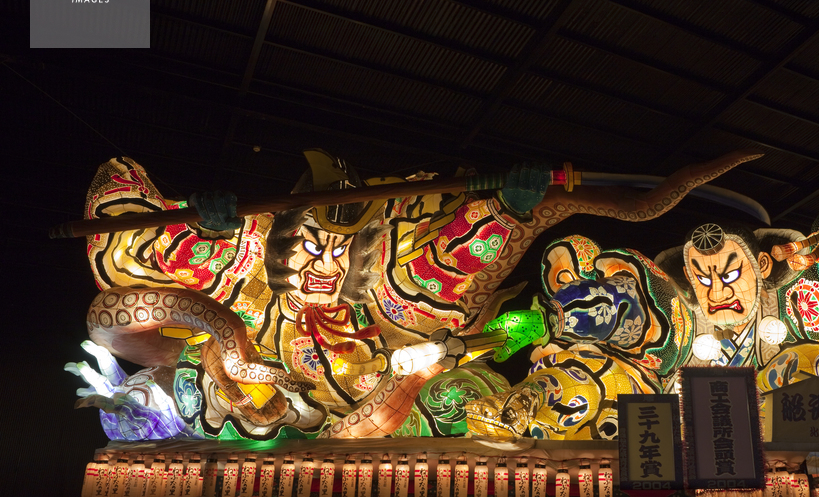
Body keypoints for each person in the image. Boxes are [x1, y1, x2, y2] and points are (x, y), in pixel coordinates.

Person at [79, 149, 759, 440]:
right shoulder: (247, 273)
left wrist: (515, 208)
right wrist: (202, 224)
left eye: (341, 250)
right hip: (270, 402)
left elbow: (460, 258)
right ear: (280, 243)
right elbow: (123, 247)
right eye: (309, 247)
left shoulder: (395, 284)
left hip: (383, 404)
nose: (324, 265)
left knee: (452, 395)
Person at [463, 194, 819, 441]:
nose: (716, 291)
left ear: (762, 265)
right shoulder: (675, 320)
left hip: (777, 427)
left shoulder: (787, 306)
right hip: (681, 434)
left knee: (818, 361)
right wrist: (569, 314)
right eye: (701, 277)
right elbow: (624, 309)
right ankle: (522, 407)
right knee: (604, 373)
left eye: (731, 274)